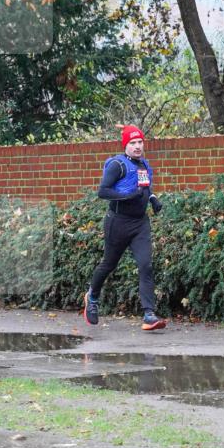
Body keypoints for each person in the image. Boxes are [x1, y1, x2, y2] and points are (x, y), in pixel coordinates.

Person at [83, 125, 166, 331]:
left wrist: (153, 199)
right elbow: (103, 191)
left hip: (140, 223)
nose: (138, 146)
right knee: (108, 264)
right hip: (118, 222)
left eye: (140, 142)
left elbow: (145, 188)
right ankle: (92, 297)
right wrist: (127, 196)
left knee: (146, 265)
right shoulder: (117, 165)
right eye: (133, 143)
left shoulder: (144, 165)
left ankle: (148, 314)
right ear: (125, 145)